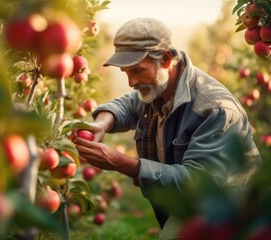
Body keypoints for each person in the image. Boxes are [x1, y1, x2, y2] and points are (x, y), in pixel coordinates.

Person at [72, 18, 261, 239]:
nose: (131, 82)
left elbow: (197, 184)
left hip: (228, 208)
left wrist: (123, 163)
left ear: (166, 59)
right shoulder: (157, 87)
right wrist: (101, 124)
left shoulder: (214, 109)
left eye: (137, 71)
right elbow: (128, 104)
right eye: (125, 72)